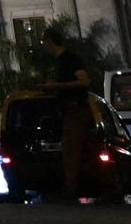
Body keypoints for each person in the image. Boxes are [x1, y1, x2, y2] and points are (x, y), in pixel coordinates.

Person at [39, 25, 94, 202]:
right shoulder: (58, 61)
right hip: (68, 109)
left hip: (76, 109)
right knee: (79, 149)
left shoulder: (70, 58)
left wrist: (56, 86)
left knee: (72, 150)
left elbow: (83, 81)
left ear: (50, 41)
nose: (42, 45)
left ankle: (71, 189)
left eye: (43, 41)